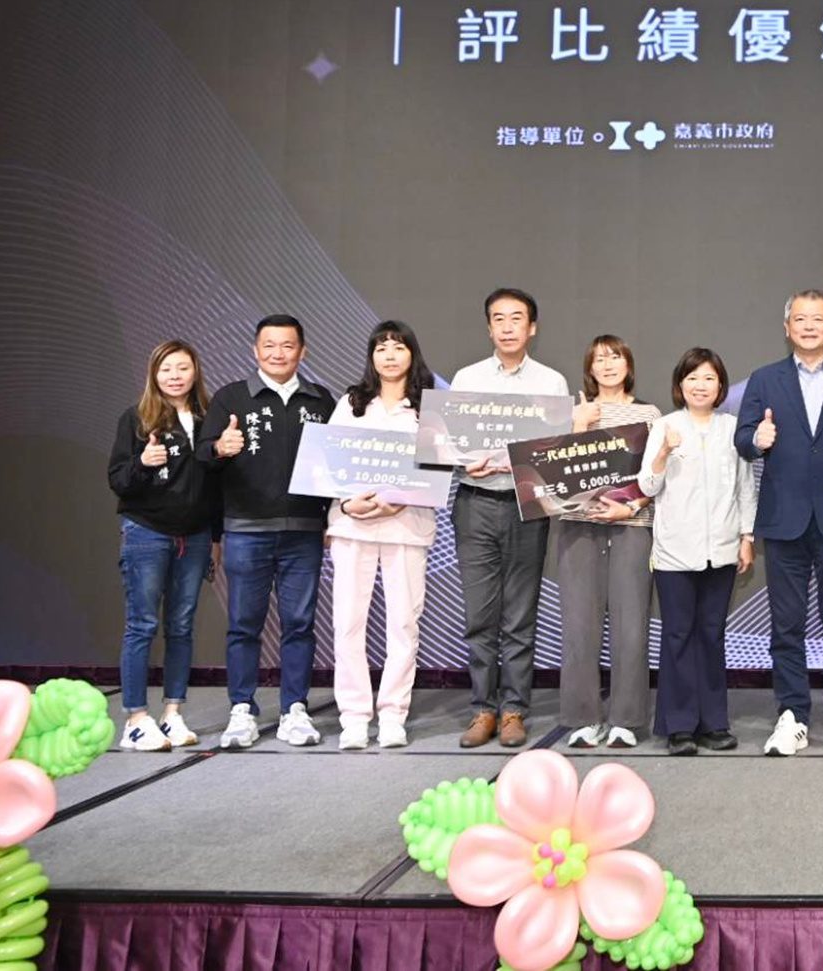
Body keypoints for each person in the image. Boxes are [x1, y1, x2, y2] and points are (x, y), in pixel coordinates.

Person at [735, 289, 823, 757]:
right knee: (786, 627)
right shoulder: (765, 379)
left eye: (818, 319)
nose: (809, 326)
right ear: (787, 328)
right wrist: (757, 438)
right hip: (784, 520)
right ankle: (792, 715)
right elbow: (742, 438)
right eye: (800, 319)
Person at [197, 315, 337, 749]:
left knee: (300, 624)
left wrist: (333, 517)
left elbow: (339, 462)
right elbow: (202, 454)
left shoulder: (321, 400)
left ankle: (295, 709)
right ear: (255, 350)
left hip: (304, 531)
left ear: (303, 351)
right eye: (270, 345)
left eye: (288, 345)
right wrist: (219, 447)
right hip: (246, 531)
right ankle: (242, 708)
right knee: (244, 624)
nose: (278, 353)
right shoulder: (231, 397)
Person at [449, 287, 571, 749]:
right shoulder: (467, 378)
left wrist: (524, 464)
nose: (507, 327)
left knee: (520, 614)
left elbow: (557, 451)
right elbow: (448, 443)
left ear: (532, 327)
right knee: (479, 615)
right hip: (475, 502)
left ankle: (515, 709)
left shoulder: (551, 383)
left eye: (516, 318)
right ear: (489, 327)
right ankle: (483, 710)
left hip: (526, 505)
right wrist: (464, 463)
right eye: (498, 319)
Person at [639, 348, 757, 755]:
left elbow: (745, 487)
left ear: (720, 385)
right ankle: (679, 726)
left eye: (709, 378)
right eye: (692, 378)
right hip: (675, 552)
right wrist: (663, 453)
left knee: (711, 635)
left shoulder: (733, 429)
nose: (700, 385)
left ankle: (713, 723)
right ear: (680, 384)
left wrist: (746, 536)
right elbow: (647, 486)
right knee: (677, 636)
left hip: (722, 550)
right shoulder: (665, 426)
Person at [326, 321, 437, 751]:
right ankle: (354, 717)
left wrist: (402, 500)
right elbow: (330, 462)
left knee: (403, 624)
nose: (389, 355)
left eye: (398, 347)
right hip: (353, 524)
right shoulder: (352, 402)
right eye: (381, 347)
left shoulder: (428, 407)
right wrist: (346, 503)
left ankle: (393, 714)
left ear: (412, 353)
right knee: (348, 623)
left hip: (406, 528)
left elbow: (437, 467)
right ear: (371, 356)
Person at [106, 340, 222, 751]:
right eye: (166, 368)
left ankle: (173, 713)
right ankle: (136, 719)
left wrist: (215, 537)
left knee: (182, 625)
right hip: (147, 532)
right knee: (142, 624)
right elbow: (118, 479)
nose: (175, 376)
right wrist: (143, 463)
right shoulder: (136, 418)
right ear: (154, 374)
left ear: (195, 372)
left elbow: (217, 486)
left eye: (182, 368)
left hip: (195, 535)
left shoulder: (210, 419)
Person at [555, 335, 661, 749]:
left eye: (615, 356)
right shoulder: (574, 411)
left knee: (631, 625)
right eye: (599, 358)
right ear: (589, 368)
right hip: (578, 526)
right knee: (578, 626)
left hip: (631, 525)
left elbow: (656, 474)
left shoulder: (649, 414)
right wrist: (580, 424)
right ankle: (584, 718)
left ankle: (626, 719)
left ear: (628, 364)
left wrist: (630, 506)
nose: (607, 364)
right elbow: (553, 478)